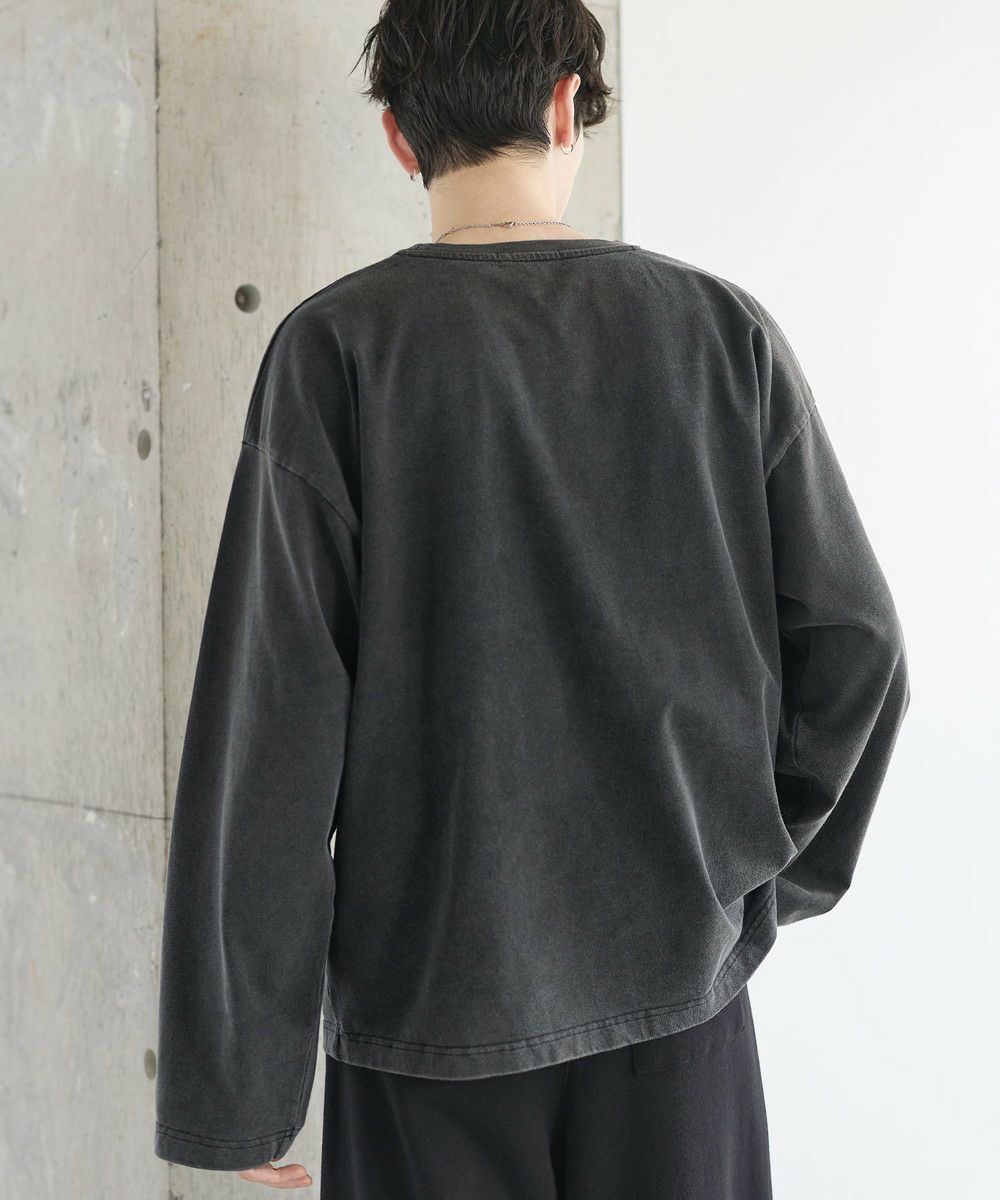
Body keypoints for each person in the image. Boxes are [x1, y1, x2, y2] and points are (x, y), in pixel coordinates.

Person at [153, 2, 911, 1197]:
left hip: (427, 1026)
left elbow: (270, 737)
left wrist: (242, 1086)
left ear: (400, 136)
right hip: (678, 1004)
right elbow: (858, 651)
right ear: (567, 107)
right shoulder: (717, 333)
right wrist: (756, 883)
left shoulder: (338, 352)